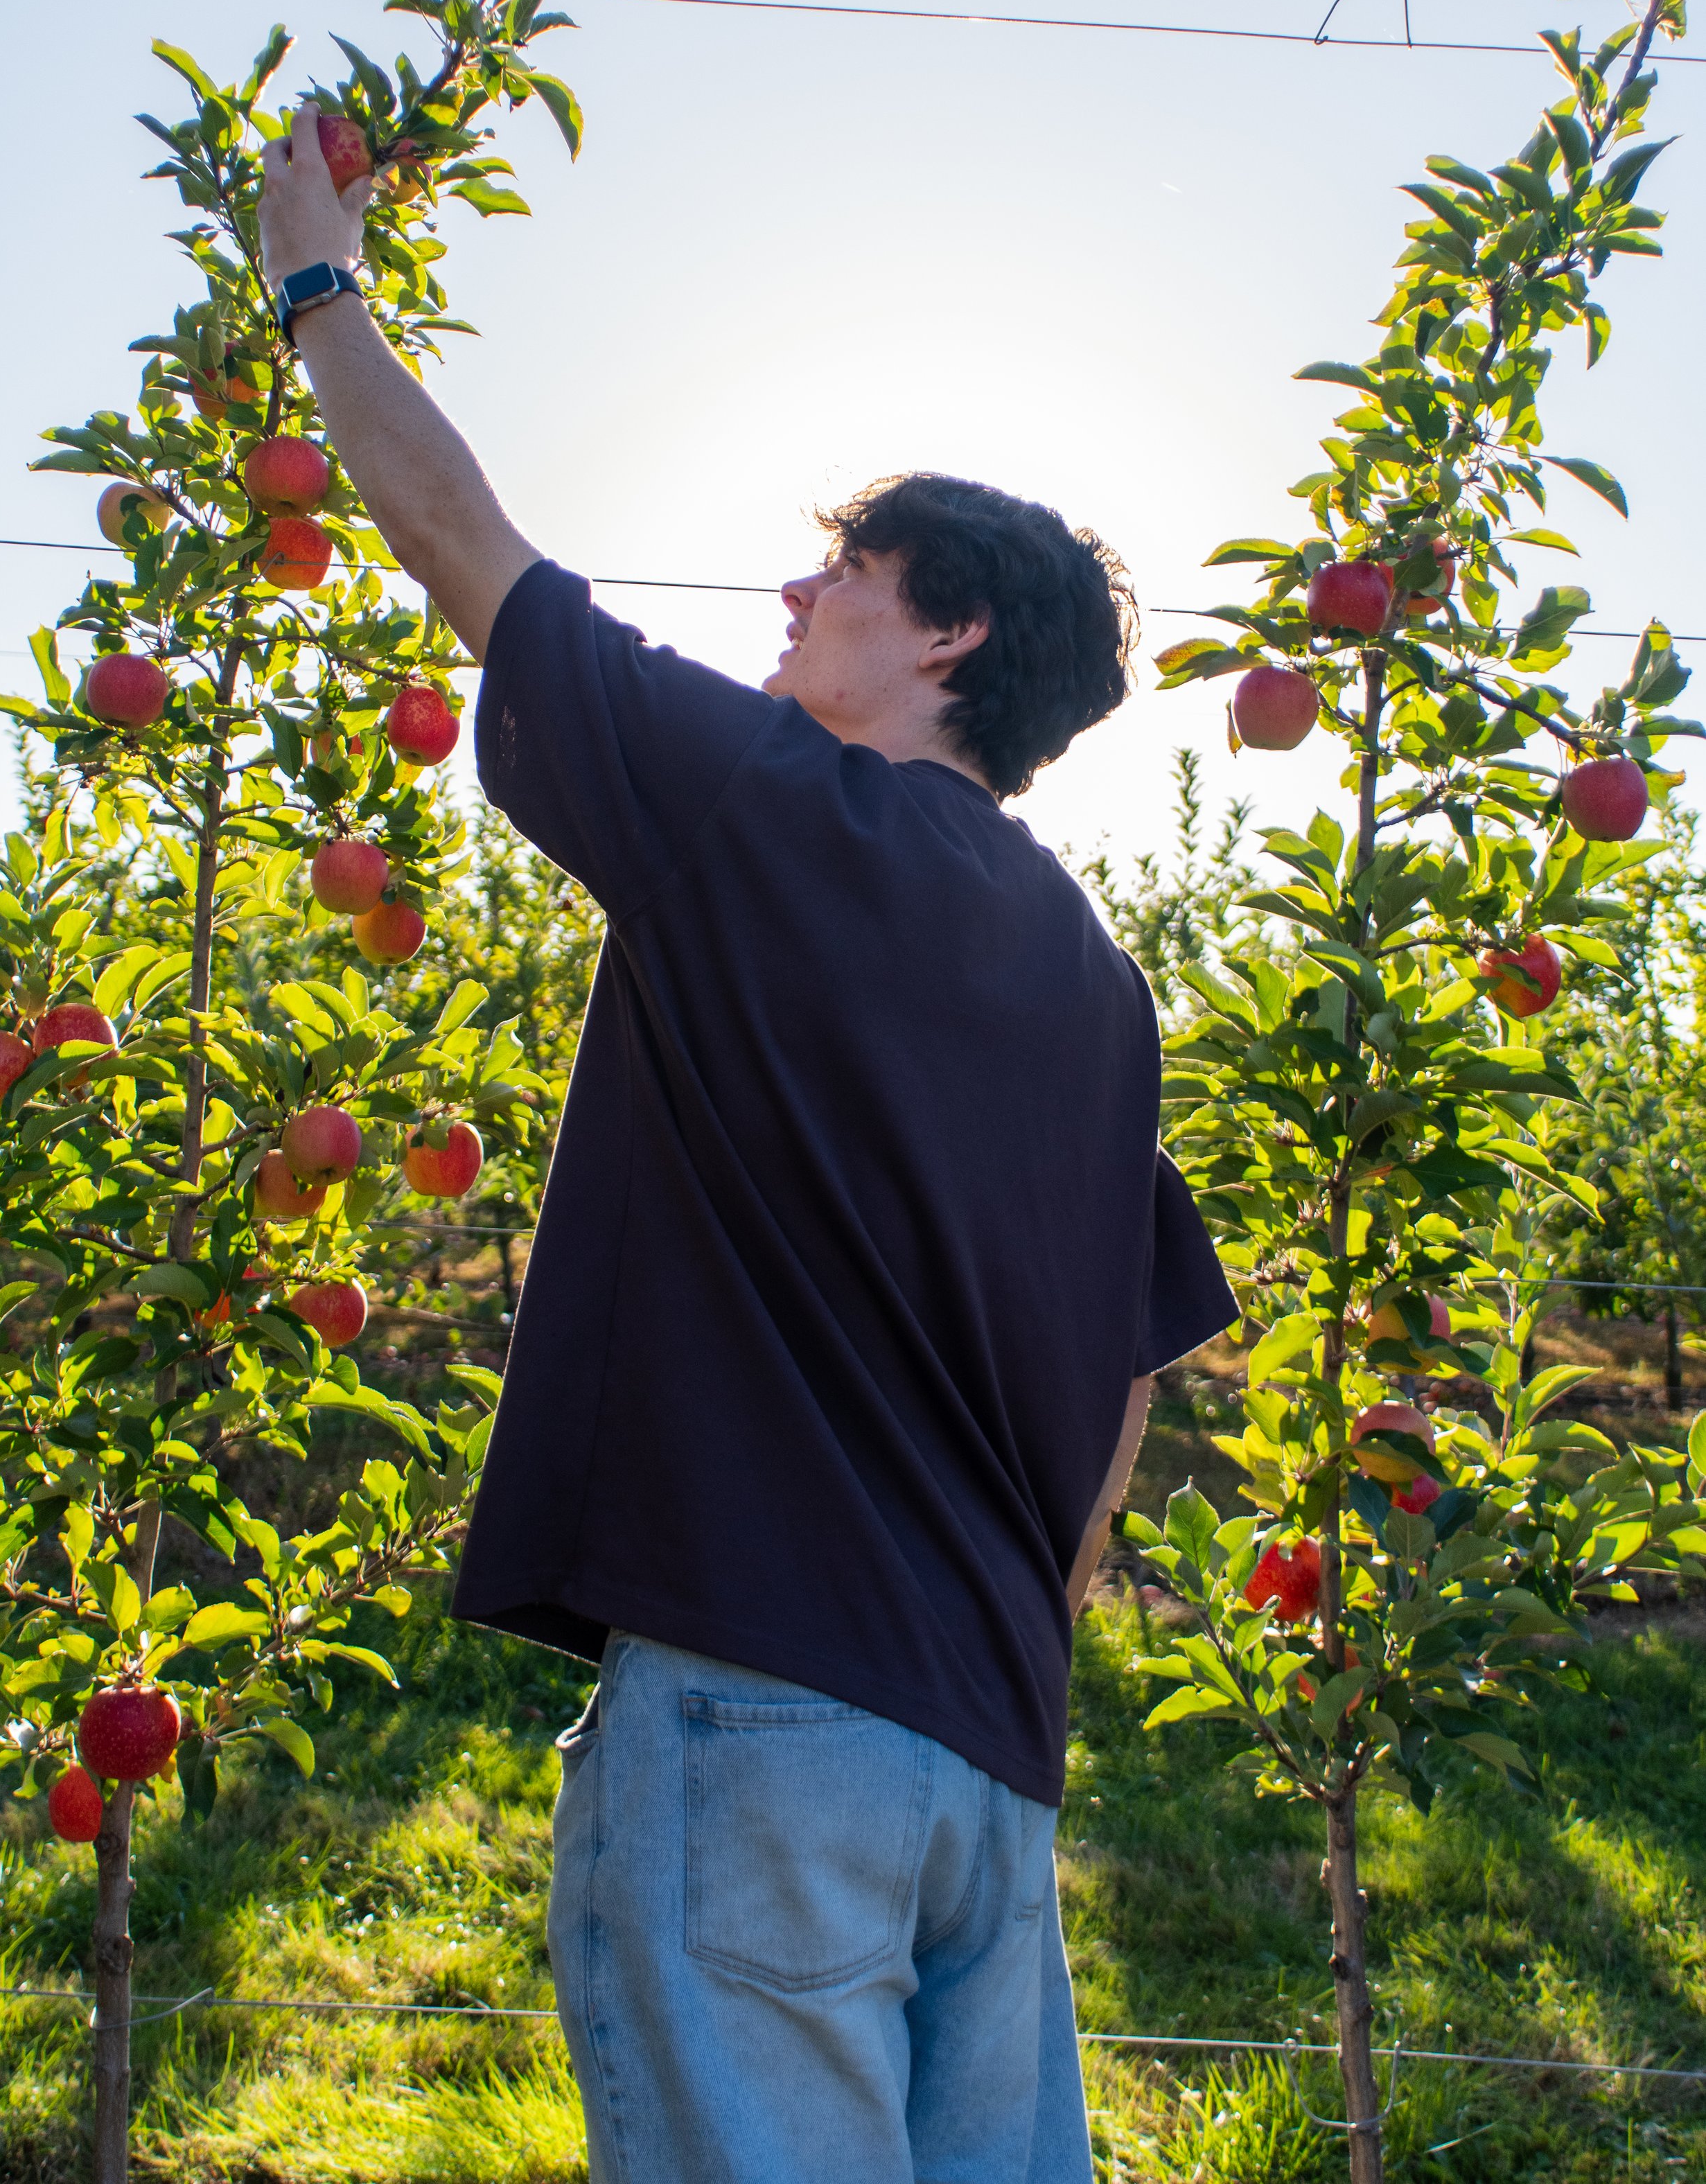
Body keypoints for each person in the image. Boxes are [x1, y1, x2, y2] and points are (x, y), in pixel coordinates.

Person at [258, 105, 1238, 2184]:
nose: (792, 591)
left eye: (846, 568)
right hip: (982, 1764)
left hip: (766, 1712)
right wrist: (998, 1634)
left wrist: (316, 285)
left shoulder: (773, 817)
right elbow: (1126, 1384)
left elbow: (471, 556)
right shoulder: (1094, 977)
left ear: (948, 633)